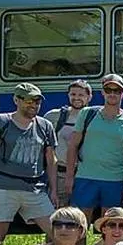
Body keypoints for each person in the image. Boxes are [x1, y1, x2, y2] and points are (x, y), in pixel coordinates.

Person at [0, 82, 59, 245]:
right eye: (29, 100)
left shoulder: (45, 125)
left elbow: (51, 159)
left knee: (58, 232)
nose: (34, 104)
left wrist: (53, 189)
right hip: (2, 187)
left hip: (35, 188)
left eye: (37, 101)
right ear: (16, 100)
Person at [66, 74, 123, 227]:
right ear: (103, 92)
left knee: (111, 225)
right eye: (108, 89)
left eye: (117, 90)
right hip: (85, 177)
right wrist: (69, 177)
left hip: (115, 180)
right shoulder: (87, 114)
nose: (112, 93)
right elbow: (73, 146)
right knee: (80, 224)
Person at [42, 79, 91, 208]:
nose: (76, 98)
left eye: (81, 95)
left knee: (80, 214)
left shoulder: (93, 118)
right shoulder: (54, 116)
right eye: (73, 94)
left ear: (89, 97)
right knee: (58, 213)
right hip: (59, 175)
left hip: (83, 175)